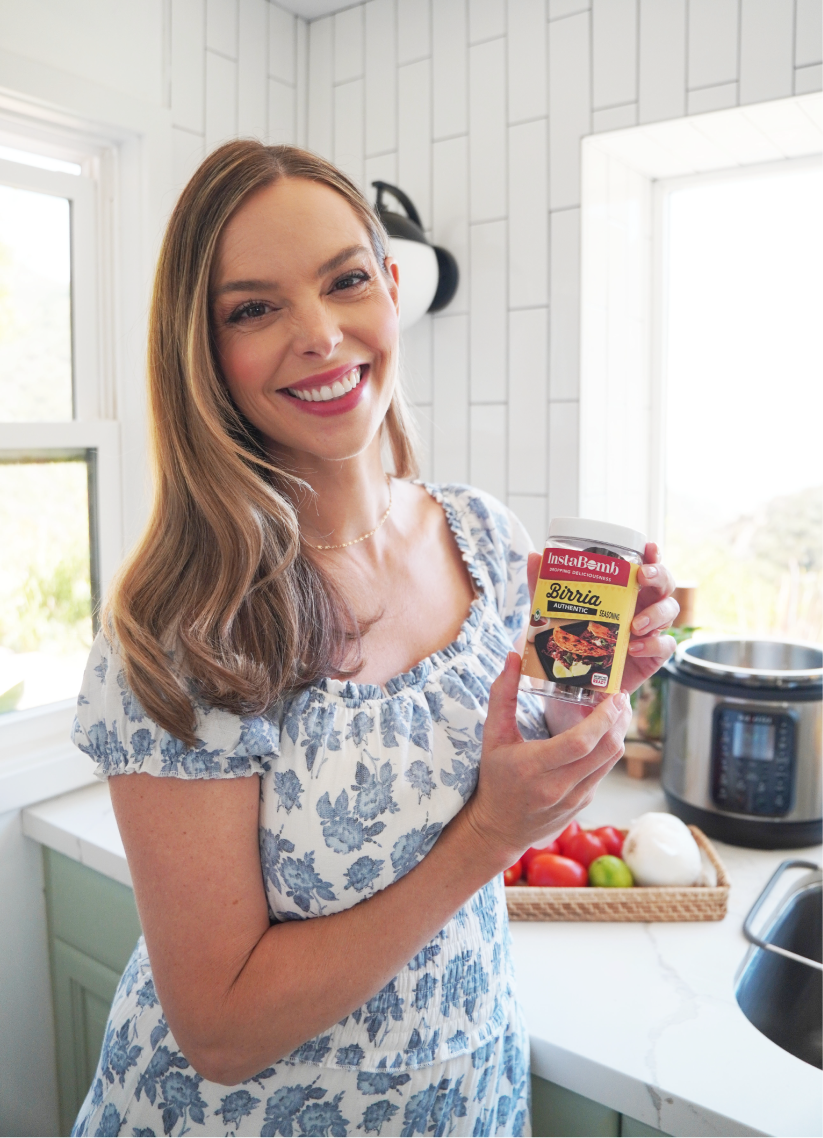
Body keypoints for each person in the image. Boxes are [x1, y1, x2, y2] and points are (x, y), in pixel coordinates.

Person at [71, 142, 678, 1138]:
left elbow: (519, 756)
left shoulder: (483, 535)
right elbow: (219, 1027)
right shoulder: (186, 625)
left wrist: (598, 683)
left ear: (391, 288)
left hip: (469, 1088)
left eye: (345, 280)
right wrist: (486, 836)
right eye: (253, 308)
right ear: (202, 349)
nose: (318, 332)